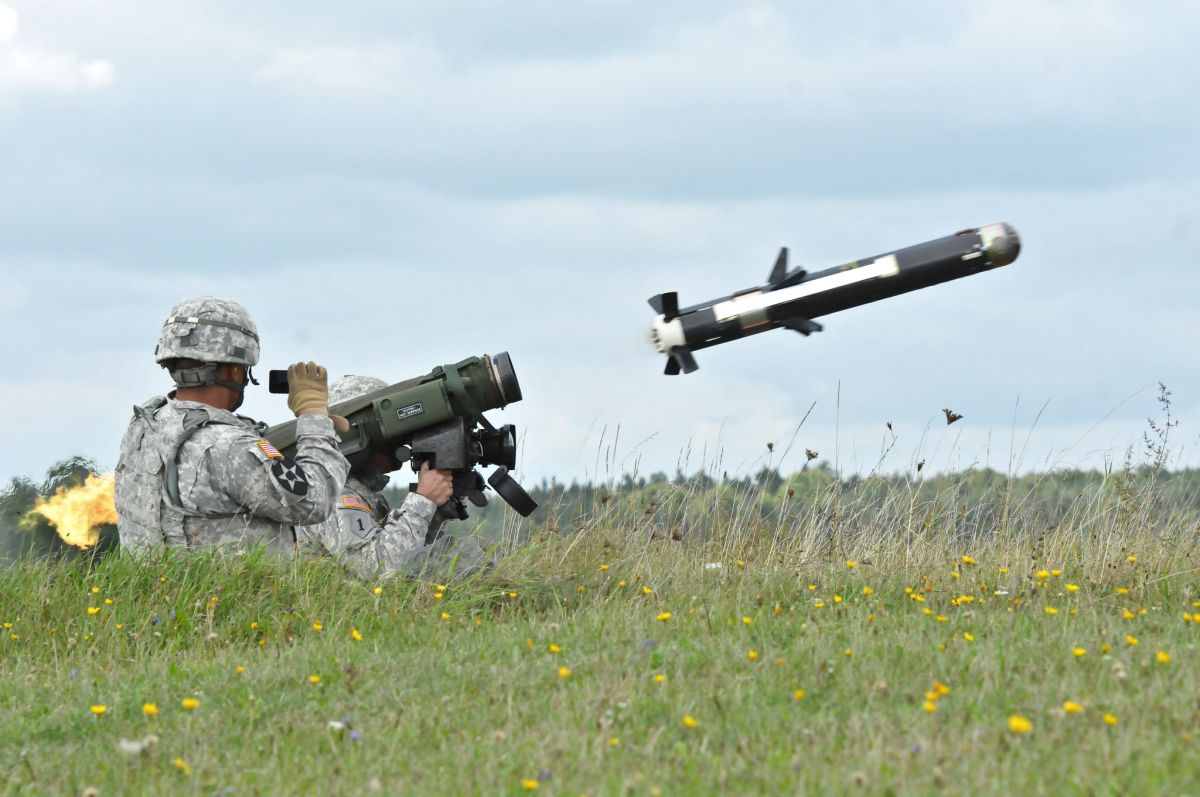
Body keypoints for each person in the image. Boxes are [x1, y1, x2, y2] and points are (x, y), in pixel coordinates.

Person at [114, 296, 350, 555]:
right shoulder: (230, 447)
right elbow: (315, 501)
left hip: (159, 591)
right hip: (232, 595)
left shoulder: (144, 428)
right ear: (233, 371)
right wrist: (314, 417)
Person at [297, 375, 490, 579]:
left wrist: (436, 512)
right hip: (342, 607)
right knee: (461, 558)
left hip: (364, 605)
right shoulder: (334, 494)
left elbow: (408, 557)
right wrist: (423, 500)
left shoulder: (360, 492)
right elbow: (372, 569)